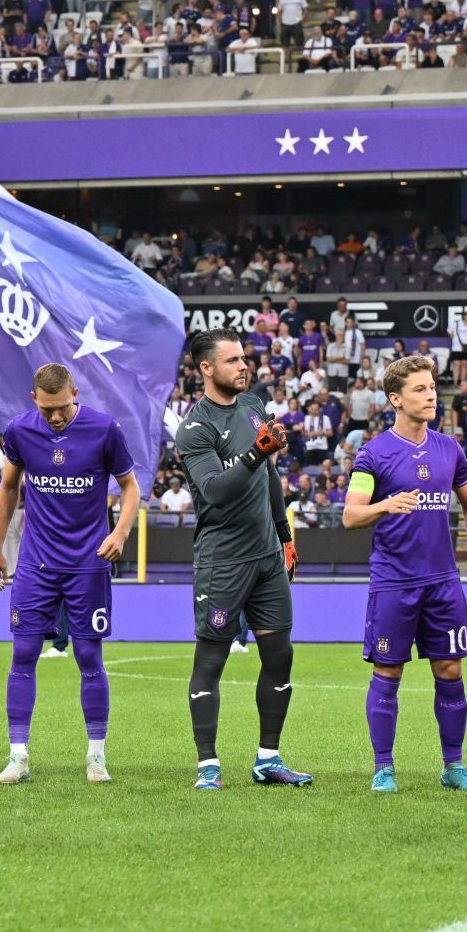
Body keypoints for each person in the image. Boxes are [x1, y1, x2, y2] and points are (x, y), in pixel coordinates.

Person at [342, 355, 467, 793]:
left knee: (451, 669)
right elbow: (350, 515)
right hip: (394, 583)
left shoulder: (450, 448)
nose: (431, 394)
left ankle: (453, 766)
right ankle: (384, 768)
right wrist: (384, 504)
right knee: (388, 674)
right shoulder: (373, 453)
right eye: (419, 389)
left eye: (432, 387)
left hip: (442, 582)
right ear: (395, 398)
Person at [0, 364, 139, 785]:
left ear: (75, 392)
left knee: (89, 657)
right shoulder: (19, 431)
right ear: (33, 397)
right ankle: (18, 756)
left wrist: (120, 533)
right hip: (36, 563)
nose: (55, 416)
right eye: (47, 408)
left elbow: (130, 487)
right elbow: (8, 488)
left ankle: (96, 757)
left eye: (62, 407)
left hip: (88, 563)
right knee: (22, 654)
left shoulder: (104, 429)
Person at [175, 330, 310, 790]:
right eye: (232, 360)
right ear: (206, 369)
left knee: (279, 656)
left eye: (243, 358)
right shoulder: (195, 429)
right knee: (211, 661)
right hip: (224, 562)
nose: (243, 365)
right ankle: (207, 766)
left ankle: (267, 760)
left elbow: (269, 476)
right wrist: (257, 452)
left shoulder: (252, 406)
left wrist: (285, 533)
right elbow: (214, 491)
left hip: (268, 557)